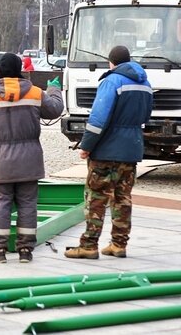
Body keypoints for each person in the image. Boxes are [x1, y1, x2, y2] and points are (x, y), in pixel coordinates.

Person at [0, 52, 63, 263]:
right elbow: (56, 109)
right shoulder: (34, 93)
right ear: (20, 68)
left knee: (0, 204)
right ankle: (25, 251)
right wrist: (55, 89)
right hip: (29, 161)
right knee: (28, 204)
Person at [65, 45, 153, 260]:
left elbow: (98, 119)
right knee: (123, 198)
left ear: (111, 62)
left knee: (96, 196)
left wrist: (86, 146)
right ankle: (118, 244)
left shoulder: (111, 81)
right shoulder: (146, 83)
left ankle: (88, 245)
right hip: (131, 149)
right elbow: (147, 115)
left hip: (106, 150)